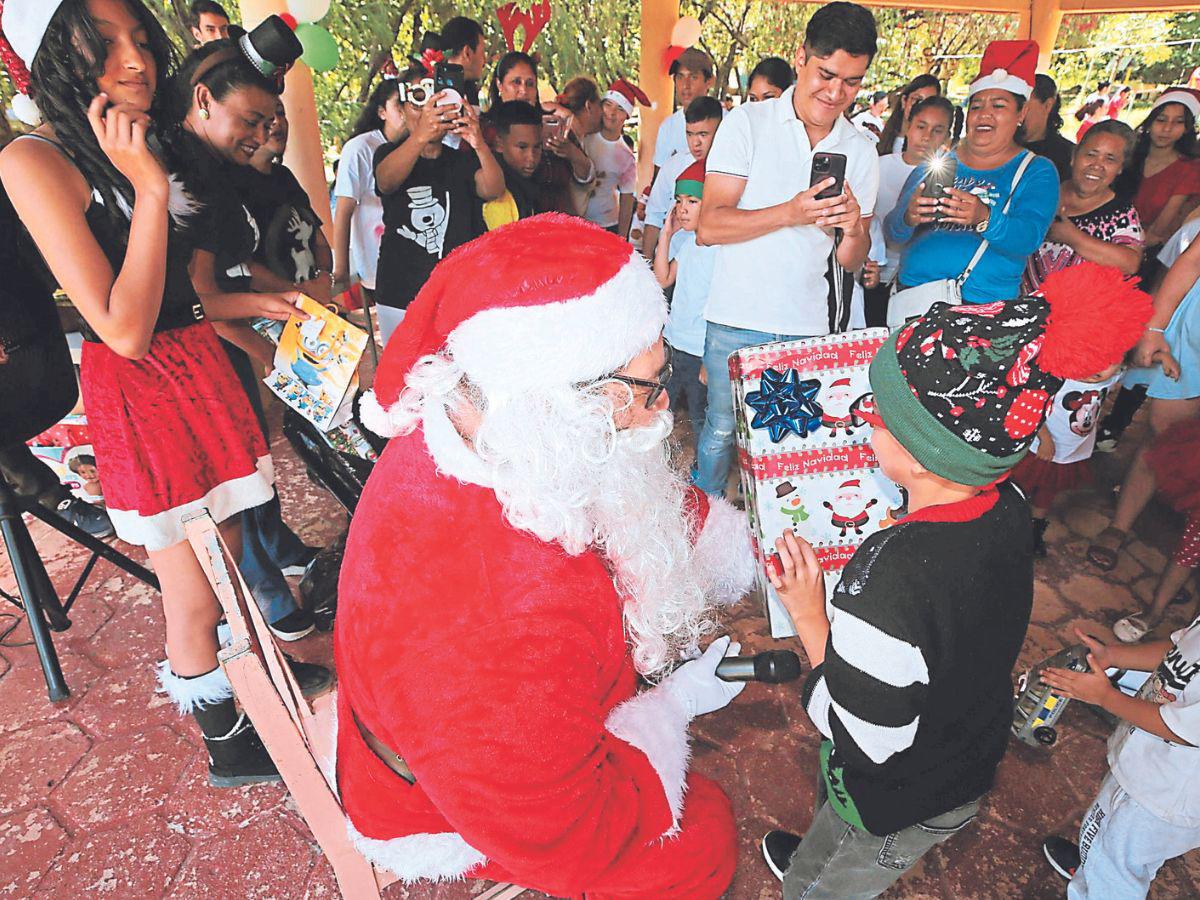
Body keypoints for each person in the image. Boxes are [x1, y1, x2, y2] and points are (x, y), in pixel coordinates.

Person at [337, 215, 756, 897]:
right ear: (558, 402)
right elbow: (565, 836)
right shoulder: (486, 618)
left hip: (501, 730)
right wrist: (666, 713)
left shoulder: (500, 428)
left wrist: (756, 552)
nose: (662, 416)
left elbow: (636, 498)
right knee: (701, 837)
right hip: (453, 807)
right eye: (649, 389)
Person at [759, 263, 1152, 899]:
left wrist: (809, 614)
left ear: (920, 454)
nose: (865, 420)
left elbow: (862, 740)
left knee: (831, 884)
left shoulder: (885, 585)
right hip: (961, 753)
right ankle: (816, 855)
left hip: (900, 795)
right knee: (837, 836)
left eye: (878, 413)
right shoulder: (1009, 504)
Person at [0, 0, 287, 785]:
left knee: (230, 559)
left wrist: (257, 307)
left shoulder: (141, 142)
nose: (135, 61)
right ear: (58, 57)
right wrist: (150, 191)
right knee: (193, 590)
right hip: (140, 385)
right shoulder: (35, 160)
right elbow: (122, 327)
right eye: (104, 46)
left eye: (140, 40)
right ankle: (227, 741)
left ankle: (261, 697)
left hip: (198, 361)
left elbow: (188, 294)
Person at [695, 1, 879, 498]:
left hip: (808, 327)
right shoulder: (746, 124)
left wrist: (853, 230)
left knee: (790, 448)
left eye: (853, 81)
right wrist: (790, 213)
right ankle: (702, 536)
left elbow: (850, 262)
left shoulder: (859, 148)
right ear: (800, 57)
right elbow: (709, 226)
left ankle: (778, 549)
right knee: (721, 433)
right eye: (827, 74)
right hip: (735, 317)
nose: (837, 92)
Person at [886, 40, 1060, 305]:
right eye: (977, 106)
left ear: (1021, 113)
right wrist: (908, 217)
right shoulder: (939, 160)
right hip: (912, 301)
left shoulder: (1036, 170)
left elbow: (1028, 239)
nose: (984, 115)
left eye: (998, 106)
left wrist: (985, 218)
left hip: (980, 310)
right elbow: (892, 232)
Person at [1089, 237, 1200, 642]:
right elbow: (1190, 262)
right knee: (1165, 439)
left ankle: (1185, 565)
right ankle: (1120, 526)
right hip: (1194, 341)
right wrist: (1154, 328)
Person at [1040, 619, 1200, 898]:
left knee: (1118, 869)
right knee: (1108, 838)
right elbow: (1179, 650)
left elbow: (1184, 730)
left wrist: (1104, 696)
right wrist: (1114, 655)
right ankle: (1094, 867)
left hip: (1163, 796)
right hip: (1148, 765)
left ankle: (1103, 882)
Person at [371, 63, 504, 344]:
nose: (430, 111)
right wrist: (421, 136)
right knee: (405, 378)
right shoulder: (388, 153)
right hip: (401, 293)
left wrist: (478, 142)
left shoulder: (461, 160)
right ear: (404, 110)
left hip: (455, 294)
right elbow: (386, 181)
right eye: (420, 101)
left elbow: (493, 189)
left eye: (438, 101)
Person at [864, 95, 955, 326]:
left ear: (948, 136)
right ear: (908, 126)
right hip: (872, 276)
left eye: (937, 130)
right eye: (920, 126)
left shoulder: (950, 177)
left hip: (914, 283)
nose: (925, 136)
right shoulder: (878, 165)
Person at [1023, 120, 1143, 292]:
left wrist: (1072, 237)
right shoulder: (1043, 195)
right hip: (1016, 307)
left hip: (1078, 316)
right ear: (1074, 156)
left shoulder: (1121, 213)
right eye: (1091, 154)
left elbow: (1130, 263)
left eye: (1110, 159)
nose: (1097, 165)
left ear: (1120, 168)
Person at [654, 160, 714, 447]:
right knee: (660, 413)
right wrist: (666, 234)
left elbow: (719, 307)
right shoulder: (690, 244)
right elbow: (663, 278)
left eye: (692, 201)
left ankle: (703, 481)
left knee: (701, 419)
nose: (682, 208)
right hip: (675, 346)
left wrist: (709, 359)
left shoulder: (720, 252)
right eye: (679, 201)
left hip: (699, 352)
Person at [333, 78, 404, 303]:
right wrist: (341, 270)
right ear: (382, 112)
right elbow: (343, 211)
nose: (407, 111)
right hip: (378, 266)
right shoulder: (360, 149)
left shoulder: (420, 146)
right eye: (398, 104)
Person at [1119, 88, 1200, 261]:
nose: (1167, 128)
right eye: (1161, 119)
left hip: (1142, 253)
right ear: (1149, 122)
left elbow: (1158, 232)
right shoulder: (1126, 155)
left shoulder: (1188, 170)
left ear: (1186, 129)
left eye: (1178, 122)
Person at [642, 96, 723, 259]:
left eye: (703, 134)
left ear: (720, 130)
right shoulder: (672, 166)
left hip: (712, 266)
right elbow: (654, 216)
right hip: (670, 261)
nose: (695, 143)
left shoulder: (731, 170)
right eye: (690, 134)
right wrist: (646, 266)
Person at [583, 78, 645, 236]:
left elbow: (627, 200)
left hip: (608, 225)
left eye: (619, 109)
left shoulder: (626, 156)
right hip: (578, 222)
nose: (611, 113)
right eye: (608, 104)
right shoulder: (584, 137)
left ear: (627, 116)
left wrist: (622, 238)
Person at [481, 99, 543, 229]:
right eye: (522, 147)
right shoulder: (495, 193)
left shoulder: (532, 181)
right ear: (499, 143)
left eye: (537, 147)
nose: (531, 158)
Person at [654, 47, 716, 174]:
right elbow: (658, 179)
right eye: (680, 77)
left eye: (693, 77)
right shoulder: (668, 127)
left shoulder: (726, 122)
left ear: (709, 82)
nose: (685, 85)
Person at [551, 76, 602, 216]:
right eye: (600, 105)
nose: (602, 111)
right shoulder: (567, 139)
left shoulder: (580, 139)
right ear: (589, 106)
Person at [1020, 73, 1075, 181]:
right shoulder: (997, 146)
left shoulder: (1067, 156)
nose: (1016, 114)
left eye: (1023, 106)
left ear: (1048, 105)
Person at [876, 72, 940, 156]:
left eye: (929, 103)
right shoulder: (878, 144)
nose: (921, 107)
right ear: (904, 101)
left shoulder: (936, 153)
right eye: (917, 99)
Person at [438, 16, 487, 109]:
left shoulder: (471, 93)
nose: (484, 61)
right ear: (467, 52)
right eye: (482, 53)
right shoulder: (427, 96)